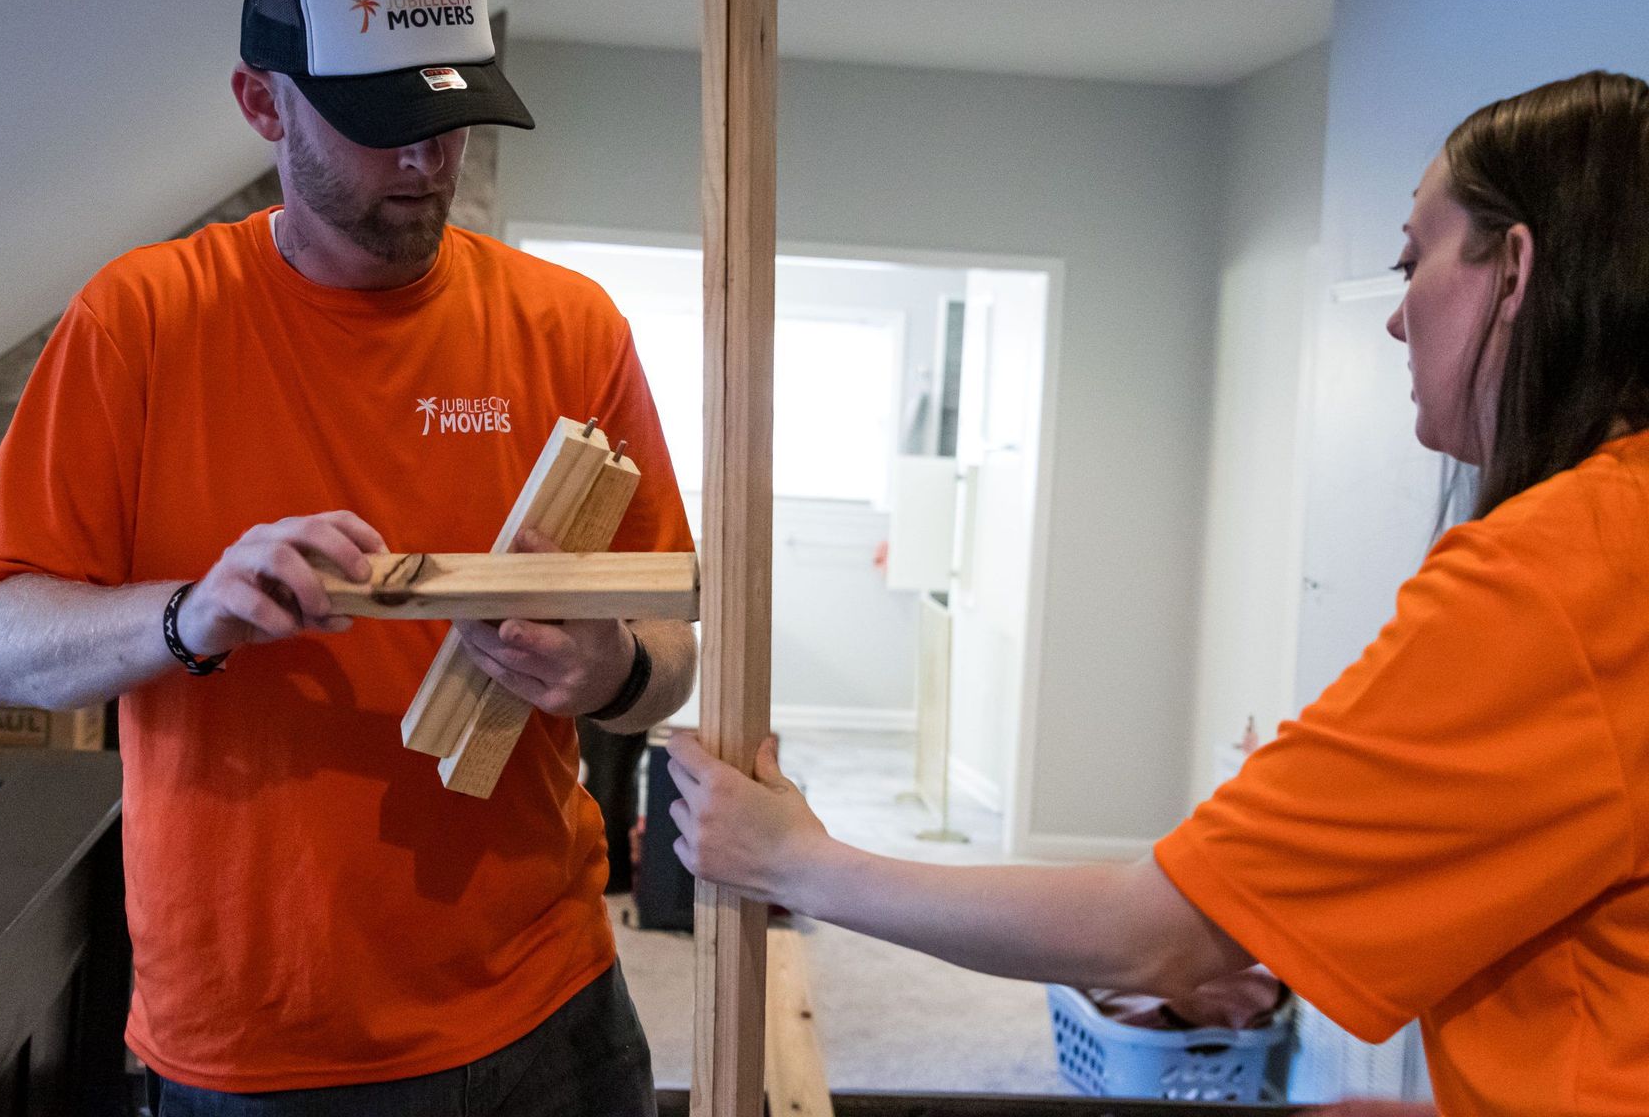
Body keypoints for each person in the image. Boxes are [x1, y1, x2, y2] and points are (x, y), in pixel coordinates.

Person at [667, 70, 1649, 1117]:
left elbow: (1158, 932)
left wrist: (802, 862)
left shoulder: (1549, 578)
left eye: (1414, 258)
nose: (1399, 318)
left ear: (1515, 270)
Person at [0, 0, 697, 1116]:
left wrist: (612, 670)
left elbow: (673, 649)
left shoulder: (571, 328)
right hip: (259, 1043)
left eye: (452, 120)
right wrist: (190, 613)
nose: (427, 162)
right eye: (382, 126)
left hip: (548, 1007)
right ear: (262, 102)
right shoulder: (141, 322)